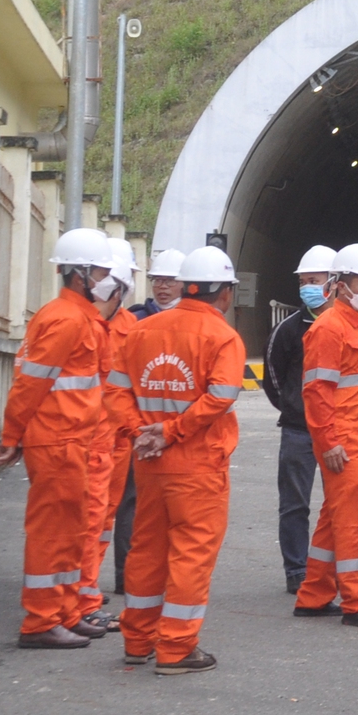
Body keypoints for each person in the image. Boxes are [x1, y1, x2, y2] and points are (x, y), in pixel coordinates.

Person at [116, 245, 248, 674]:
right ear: (223, 293)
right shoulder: (223, 337)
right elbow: (221, 396)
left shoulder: (141, 330)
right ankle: (175, 647)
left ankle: (137, 640)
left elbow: (115, 391)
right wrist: (171, 432)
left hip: (150, 463)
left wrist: (142, 433)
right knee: (191, 553)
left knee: (147, 550)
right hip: (197, 464)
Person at [0, 228, 117, 648]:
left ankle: (64, 611)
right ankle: (41, 621)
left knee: (70, 531)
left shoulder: (77, 317)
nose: (108, 277)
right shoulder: (66, 320)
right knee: (53, 532)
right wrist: (11, 437)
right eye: (101, 270)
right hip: (59, 440)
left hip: (70, 440)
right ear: (80, 274)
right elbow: (29, 385)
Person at [295, 243, 358, 629]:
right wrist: (329, 442)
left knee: (332, 518)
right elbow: (316, 392)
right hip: (344, 440)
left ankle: (314, 595)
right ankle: (357, 602)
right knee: (353, 522)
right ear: (340, 286)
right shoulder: (328, 329)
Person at [105, 247, 183, 600]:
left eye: (170, 280)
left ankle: (164, 574)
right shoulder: (135, 321)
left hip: (180, 431)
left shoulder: (194, 323)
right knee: (132, 504)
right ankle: (127, 574)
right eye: (157, 280)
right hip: (142, 428)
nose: (162, 287)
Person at [259, 245, 338, 592]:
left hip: (340, 431)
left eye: (314, 280)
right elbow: (273, 378)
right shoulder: (288, 331)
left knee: (344, 506)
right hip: (299, 431)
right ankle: (297, 571)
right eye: (304, 280)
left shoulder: (352, 327)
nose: (307, 286)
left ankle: (342, 571)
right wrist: (294, 408)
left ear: (334, 282)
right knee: (295, 505)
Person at [73, 237, 141, 636]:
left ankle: (85, 592)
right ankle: (79, 597)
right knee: (86, 518)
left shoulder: (129, 327)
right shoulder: (81, 325)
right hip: (85, 439)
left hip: (115, 439)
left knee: (102, 518)